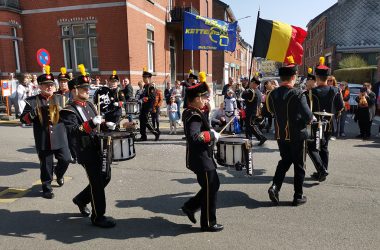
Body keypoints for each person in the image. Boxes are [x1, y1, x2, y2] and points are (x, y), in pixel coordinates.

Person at [60, 65, 117, 228]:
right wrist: (91, 123)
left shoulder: (90, 105)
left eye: (87, 87)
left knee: (106, 177)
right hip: (85, 151)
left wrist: (106, 125)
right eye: (83, 88)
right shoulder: (68, 111)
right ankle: (98, 216)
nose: (87, 90)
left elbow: (97, 126)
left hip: (99, 147)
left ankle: (80, 199)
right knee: (97, 182)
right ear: (73, 91)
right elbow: (73, 131)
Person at [266, 56, 313, 206]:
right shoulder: (298, 93)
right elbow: (308, 116)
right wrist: (309, 119)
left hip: (281, 134)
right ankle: (298, 196)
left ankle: (275, 187)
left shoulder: (272, 94)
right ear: (293, 77)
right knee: (299, 165)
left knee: (284, 161)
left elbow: (271, 111)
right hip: (297, 135)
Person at [20, 65, 70, 199]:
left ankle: (59, 174)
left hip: (60, 137)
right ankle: (46, 187)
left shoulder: (62, 99)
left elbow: (70, 117)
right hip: (43, 138)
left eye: (51, 85)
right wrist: (33, 114)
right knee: (46, 165)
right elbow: (23, 120)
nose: (49, 87)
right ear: (40, 86)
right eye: (46, 85)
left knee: (66, 159)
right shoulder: (32, 101)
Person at [181, 72, 223, 232]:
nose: (206, 100)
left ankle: (190, 207)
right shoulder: (193, 115)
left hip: (202, 157)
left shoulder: (193, 111)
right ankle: (208, 223)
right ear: (197, 98)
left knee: (212, 186)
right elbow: (194, 137)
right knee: (211, 187)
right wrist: (211, 135)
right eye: (204, 98)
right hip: (201, 159)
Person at [307, 57, 344, 181]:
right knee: (324, 147)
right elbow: (340, 107)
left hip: (315, 124)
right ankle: (323, 170)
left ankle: (321, 170)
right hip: (329, 124)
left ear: (317, 78)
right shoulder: (335, 90)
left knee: (313, 147)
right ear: (328, 78)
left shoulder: (311, 92)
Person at [242, 77, 267, 146]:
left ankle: (261, 137)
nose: (250, 83)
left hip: (251, 111)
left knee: (251, 125)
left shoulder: (251, 91)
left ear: (253, 83)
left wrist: (246, 89)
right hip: (255, 111)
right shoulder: (257, 91)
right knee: (248, 126)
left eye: (251, 82)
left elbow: (243, 95)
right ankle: (249, 141)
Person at [138, 68, 160, 141]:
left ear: (149, 78)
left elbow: (153, 97)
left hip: (148, 106)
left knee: (146, 121)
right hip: (143, 106)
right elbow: (142, 95)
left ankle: (156, 132)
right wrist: (139, 98)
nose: (144, 79)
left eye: (145, 77)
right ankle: (143, 136)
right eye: (143, 77)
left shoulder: (151, 86)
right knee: (141, 120)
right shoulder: (145, 86)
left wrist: (146, 99)